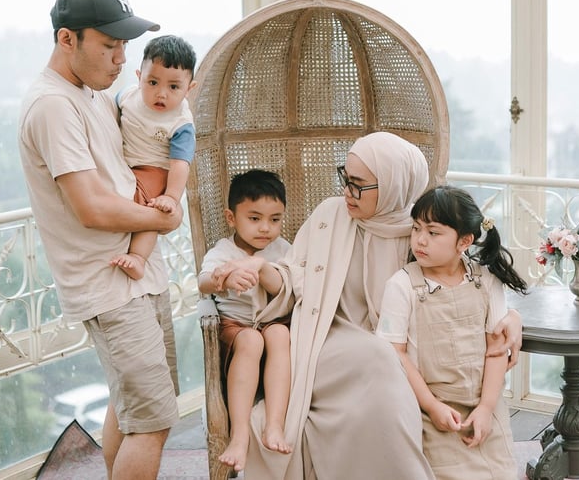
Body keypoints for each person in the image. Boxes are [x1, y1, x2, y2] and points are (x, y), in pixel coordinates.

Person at [213, 131, 523, 480]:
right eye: (345, 178)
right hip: (326, 336)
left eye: (359, 184)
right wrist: (261, 267)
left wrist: (511, 315)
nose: (347, 191)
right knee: (379, 356)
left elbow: (467, 275)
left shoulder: (420, 229)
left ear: (393, 185)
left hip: (402, 347)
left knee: (385, 359)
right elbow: (292, 280)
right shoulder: (331, 216)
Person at [18, 0, 182, 480]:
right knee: (151, 422)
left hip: (137, 276)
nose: (120, 58)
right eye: (109, 45)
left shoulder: (90, 95)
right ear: (67, 40)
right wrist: (164, 216)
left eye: (124, 46)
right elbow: (90, 207)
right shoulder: (53, 106)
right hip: (109, 286)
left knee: (139, 409)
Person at [376, 185, 528, 480]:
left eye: (433, 233)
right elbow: (396, 354)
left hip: (485, 403)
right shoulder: (403, 285)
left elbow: (495, 348)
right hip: (432, 411)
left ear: (464, 241)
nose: (420, 240)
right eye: (417, 228)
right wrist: (433, 407)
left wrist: (486, 407)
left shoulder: (485, 280)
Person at [197, 169, 293, 473]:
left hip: (274, 323)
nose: (266, 228)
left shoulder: (283, 250)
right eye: (254, 218)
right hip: (236, 328)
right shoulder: (224, 251)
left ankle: (274, 426)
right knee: (252, 339)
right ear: (231, 217)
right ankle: (239, 436)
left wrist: (263, 268)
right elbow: (202, 282)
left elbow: (286, 290)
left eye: (275, 219)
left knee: (279, 335)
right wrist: (224, 278)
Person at [110, 35, 197, 280]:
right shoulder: (127, 96)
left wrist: (171, 196)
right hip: (125, 164)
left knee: (150, 212)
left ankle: (138, 257)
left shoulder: (180, 122)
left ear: (189, 89)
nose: (161, 94)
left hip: (154, 171)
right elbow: (108, 115)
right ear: (139, 78)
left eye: (173, 87)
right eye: (153, 82)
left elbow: (180, 164)